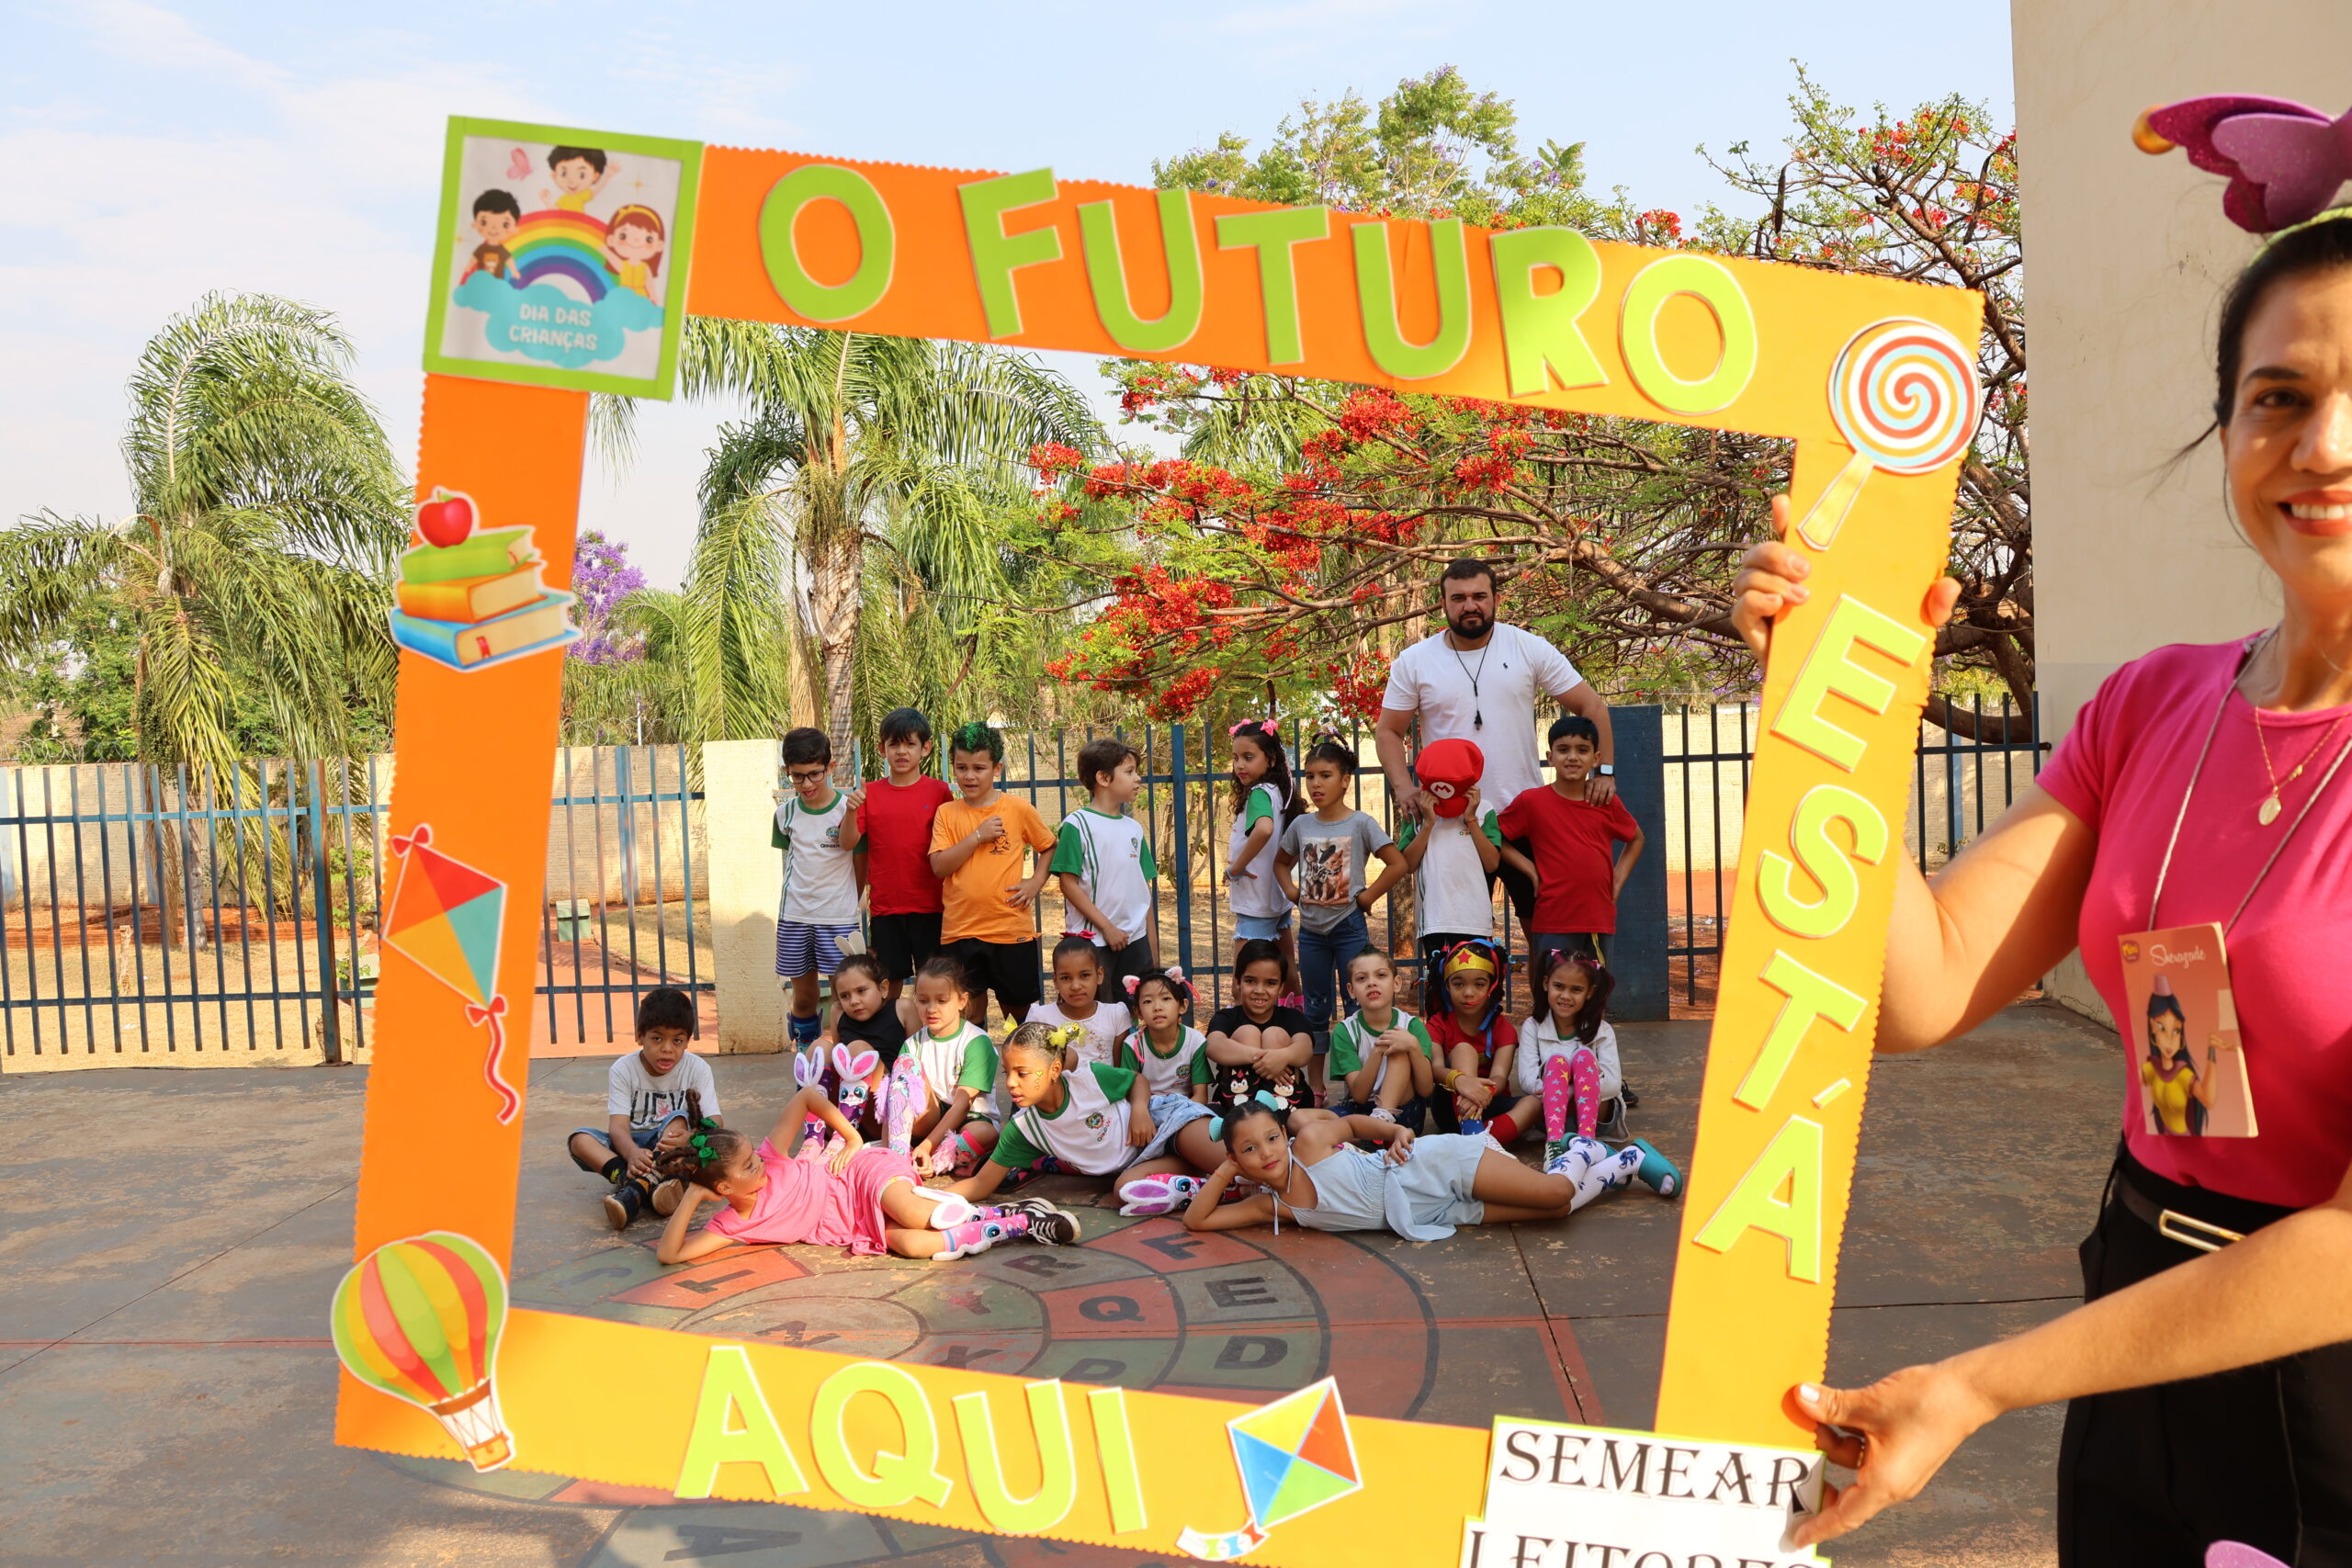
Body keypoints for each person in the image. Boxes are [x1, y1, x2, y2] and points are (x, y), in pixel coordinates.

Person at [1724, 209, 2352, 1560]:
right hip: (2133, 1307)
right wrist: (1840, 700)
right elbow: (1921, 984)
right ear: (2228, 428)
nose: (2325, 447)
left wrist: (1985, 1380)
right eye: (2279, 397)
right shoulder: (2152, 702)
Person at [1375, 558, 1619, 934]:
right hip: (1451, 819)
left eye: (1479, 596)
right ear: (1443, 604)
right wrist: (1403, 787)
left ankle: (1544, 997)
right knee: (1456, 934)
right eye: (1458, 597)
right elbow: (1389, 731)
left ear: (1496, 599)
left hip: (1527, 813)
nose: (1469, 605)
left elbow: (1592, 706)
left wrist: (1605, 772)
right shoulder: (1415, 661)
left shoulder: (1528, 648)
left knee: (1546, 930)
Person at [650, 1089, 1076, 1264]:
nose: (758, 1164)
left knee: (910, 1213)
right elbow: (670, 1255)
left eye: (753, 1157)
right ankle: (1016, 1222)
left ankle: (962, 1212)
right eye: (747, 1168)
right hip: (853, 1224)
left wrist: (852, 1139)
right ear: (723, 1189)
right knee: (912, 1244)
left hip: (858, 1175)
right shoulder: (732, 1224)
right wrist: (691, 1197)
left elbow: (807, 1097)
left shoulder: (772, 1157)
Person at [1180, 1097, 1669, 1241]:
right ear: (1236, 1157)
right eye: (1249, 1149)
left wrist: (1394, 1134)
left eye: (1270, 1137)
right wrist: (1224, 1171)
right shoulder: (1274, 1207)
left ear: (1283, 1134)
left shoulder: (1308, 1143)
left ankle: (1584, 1147)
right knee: (1555, 1212)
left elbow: (1350, 1123)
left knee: (1551, 1193)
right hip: (1429, 1217)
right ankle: (1626, 1161)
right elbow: (1197, 1220)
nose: (1265, 1152)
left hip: (1427, 1170)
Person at [937, 1022, 1221, 1210]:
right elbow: (981, 1184)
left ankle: (1221, 1170)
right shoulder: (1024, 1129)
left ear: (1054, 1069)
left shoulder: (1090, 1080)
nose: (1010, 1083)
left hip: (1167, 1119)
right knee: (1125, 1191)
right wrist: (932, 1199)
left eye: (1022, 1073)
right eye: (1007, 1073)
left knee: (1234, 1160)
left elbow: (1136, 1080)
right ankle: (1220, 1186)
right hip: (1144, 1160)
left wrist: (1138, 1111)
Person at [1274, 737, 1407, 1054]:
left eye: (1325, 775)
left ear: (1345, 781)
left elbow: (1397, 863)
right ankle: (1318, 1085)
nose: (1316, 784)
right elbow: (1280, 863)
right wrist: (1293, 892)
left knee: (1357, 1006)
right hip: (1311, 933)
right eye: (1309, 776)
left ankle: (1359, 1080)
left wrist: (1368, 897)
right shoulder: (1301, 824)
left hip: (1348, 927)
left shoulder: (1360, 823)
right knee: (1316, 1009)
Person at [1510, 952, 1674, 1194]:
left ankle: (1589, 1143)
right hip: (1553, 1115)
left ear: (1590, 993)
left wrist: (1573, 1087)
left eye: (1576, 990)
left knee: (1584, 1058)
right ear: (1546, 984)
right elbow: (1527, 1081)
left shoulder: (1602, 1031)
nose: (1565, 996)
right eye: (1558, 986)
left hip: (1597, 1113)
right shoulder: (1533, 1027)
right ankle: (1554, 1143)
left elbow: (1614, 1084)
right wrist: (1559, 1080)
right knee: (1556, 1063)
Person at [928, 721, 1056, 1027]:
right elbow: (939, 866)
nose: (969, 776)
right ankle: (975, 1070)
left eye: (979, 767)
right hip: (961, 930)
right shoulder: (947, 812)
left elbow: (1050, 847)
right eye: (961, 767)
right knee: (967, 1015)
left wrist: (1036, 882)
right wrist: (977, 836)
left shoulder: (1018, 809)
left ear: (996, 769)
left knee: (1020, 1014)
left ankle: (1023, 1070)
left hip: (1009, 929)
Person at [563, 987, 718, 1229]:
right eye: (657, 1038)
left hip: (672, 1149)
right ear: (639, 1036)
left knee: (679, 1118)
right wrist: (631, 1154)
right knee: (580, 1140)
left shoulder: (697, 1069)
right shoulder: (623, 1069)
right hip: (632, 1146)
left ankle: (640, 1189)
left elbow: (716, 1123)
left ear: (687, 1040)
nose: (667, 1048)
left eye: (677, 1040)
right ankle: (634, 1180)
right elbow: (617, 1127)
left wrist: (692, 1137)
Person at [1498, 715, 1645, 971]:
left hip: (1598, 919)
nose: (1573, 757)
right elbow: (1496, 837)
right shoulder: (1531, 802)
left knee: (1593, 994)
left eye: (1582, 750)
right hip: (1552, 918)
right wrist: (1530, 869)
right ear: (1550, 756)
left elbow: (1636, 839)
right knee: (1552, 992)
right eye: (1563, 749)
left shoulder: (1605, 801)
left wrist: (1617, 881)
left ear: (1596, 758)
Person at [772, 727, 865, 1051]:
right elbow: (791, 861)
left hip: (838, 917)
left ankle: (845, 1059)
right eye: (798, 777)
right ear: (787, 772)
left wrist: (851, 901)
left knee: (846, 993)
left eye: (815, 774)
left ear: (831, 766)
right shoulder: (785, 814)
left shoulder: (849, 810)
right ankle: (806, 1060)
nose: (807, 784)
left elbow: (860, 863)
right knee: (805, 995)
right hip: (795, 916)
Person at [858, 707, 954, 999]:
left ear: (925, 748)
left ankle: (937, 1043)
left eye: (909, 744)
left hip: (933, 906)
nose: (902, 752)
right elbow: (851, 843)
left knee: (935, 985)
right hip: (887, 908)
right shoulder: (869, 793)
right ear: (881, 749)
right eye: (894, 744)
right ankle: (890, 1043)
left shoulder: (940, 792)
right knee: (889, 985)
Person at [1051, 738, 1159, 990]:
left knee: (1133, 1014)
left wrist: (1152, 949)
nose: (1138, 779)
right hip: (1096, 941)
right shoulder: (1076, 825)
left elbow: (1144, 891)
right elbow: (1068, 884)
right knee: (1098, 1017)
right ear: (1103, 778)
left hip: (1136, 940)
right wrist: (1107, 928)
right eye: (1130, 772)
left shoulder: (1134, 828)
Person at [1396, 737, 1504, 971]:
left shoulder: (1484, 810)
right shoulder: (1417, 813)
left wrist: (1471, 819)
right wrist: (1428, 824)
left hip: (1475, 921)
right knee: (1440, 990)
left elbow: (1492, 863)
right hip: (1435, 922)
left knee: (1475, 990)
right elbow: (1408, 864)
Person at [899, 954, 1001, 1178]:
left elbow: (962, 1105)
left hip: (970, 1118)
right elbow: (900, 1099)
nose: (931, 1009)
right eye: (923, 1000)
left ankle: (936, 1158)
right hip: (931, 1118)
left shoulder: (976, 1042)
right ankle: (919, 1155)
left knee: (982, 1133)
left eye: (942, 1001)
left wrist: (926, 1145)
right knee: (906, 1072)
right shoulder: (912, 1045)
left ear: (962, 1001)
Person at [1224, 719, 1303, 1001]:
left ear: (1270, 759)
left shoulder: (1258, 793)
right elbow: (1288, 843)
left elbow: (1265, 830)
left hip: (1256, 903)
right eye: (1235, 758)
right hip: (1276, 898)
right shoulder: (1279, 792)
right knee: (1288, 970)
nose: (1239, 765)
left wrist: (1237, 867)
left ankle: (1243, 1030)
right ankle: (1299, 1024)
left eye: (1248, 757)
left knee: (1241, 978)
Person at [812, 951, 922, 1144]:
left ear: (883, 987)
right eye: (845, 996)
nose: (854, 1001)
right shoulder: (839, 1012)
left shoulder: (902, 1008)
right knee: (819, 1049)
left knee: (858, 1050)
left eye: (861, 990)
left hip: (887, 1112)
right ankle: (815, 1138)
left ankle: (848, 1138)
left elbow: (916, 1066)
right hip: (844, 1108)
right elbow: (838, 1062)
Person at [1423, 939, 1525, 1143]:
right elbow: (1434, 1069)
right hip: (1451, 1108)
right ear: (1447, 986)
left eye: (1479, 984)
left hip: (1490, 1102)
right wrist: (1461, 1081)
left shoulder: (1503, 1028)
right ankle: (1471, 1129)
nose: (1468, 992)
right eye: (1458, 983)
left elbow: (1499, 1077)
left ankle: (1479, 1142)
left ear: (1492, 985)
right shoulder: (1438, 1023)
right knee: (1463, 1049)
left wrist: (1481, 1094)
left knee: (1534, 1103)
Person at [1325, 948, 1440, 1127]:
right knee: (1301, 1120)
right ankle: (1372, 1133)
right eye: (1362, 978)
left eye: (1380, 975)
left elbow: (1426, 1090)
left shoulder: (1411, 1026)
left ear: (1396, 984)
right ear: (1351, 990)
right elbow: (1360, 1096)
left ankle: (1377, 1129)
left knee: (1399, 1048)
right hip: (1360, 1109)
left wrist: (1413, 1047)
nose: (1371, 983)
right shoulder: (1345, 1031)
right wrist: (1378, 1050)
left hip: (1404, 1112)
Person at [1203, 938, 1317, 1112]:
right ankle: (1245, 1116)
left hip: (1288, 1102)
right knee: (1248, 1033)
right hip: (1235, 1100)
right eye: (1250, 981)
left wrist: (1282, 1056)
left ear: (1280, 987)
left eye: (1270, 983)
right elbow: (1213, 1046)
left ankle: (1278, 1117)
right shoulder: (1227, 1017)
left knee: (1274, 1035)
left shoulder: (1292, 1017)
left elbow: (1305, 1049)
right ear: (1238, 982)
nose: (1259, 990)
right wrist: (1266, 1058)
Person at [1025, 934, 1133, 1069]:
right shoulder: (1040, 1018)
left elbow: (1120, 1073)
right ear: (1055, 981)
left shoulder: (1116, 1015)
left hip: (1103, 1090)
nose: (1076, 986)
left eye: (1084, 975)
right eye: (1065, 978)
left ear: (1099, 975)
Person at [1116, 964, 1212, 1103]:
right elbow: (1130, 1096)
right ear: (1138, 1012)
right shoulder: (1133, 1045)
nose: (1157, 1007)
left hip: (1186, 1109)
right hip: (1146, 1108)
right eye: (1148, 1001)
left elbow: (1201, 1096)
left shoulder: (1195, 1041)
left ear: (1183, 1006)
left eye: (1166, 999)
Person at [603, 205, 665, 299]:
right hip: (623, 294)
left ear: (659, 245)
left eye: (648, 239)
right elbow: (612, 258)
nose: (636, 240)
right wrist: (604, 251)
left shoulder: (644, 267)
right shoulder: (623, 265)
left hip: (641, 296)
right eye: (623, 236)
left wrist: (652, 294)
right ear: (611, 240)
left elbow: (649, 283)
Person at [466, 189, 520, 281]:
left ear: (514, 228)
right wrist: (468, 267)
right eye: (484, 222)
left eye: (505, 224)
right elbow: (474, 258)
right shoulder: (481, 249)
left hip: (498, 282)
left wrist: (514, 271)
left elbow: (509, 260)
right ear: (474, 224)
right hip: (481, 280)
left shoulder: (502, 250)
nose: (494, 228)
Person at [540, 145, 613, 213]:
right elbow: (555, 211)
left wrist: (607, 177)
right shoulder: (564, 199)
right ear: (554, 175)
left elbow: (596, 190)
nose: (572, 181)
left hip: (577, 224)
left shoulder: (581, 195)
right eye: (564, 173)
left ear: (595, 176)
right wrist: (547, 201)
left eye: (582, 175)